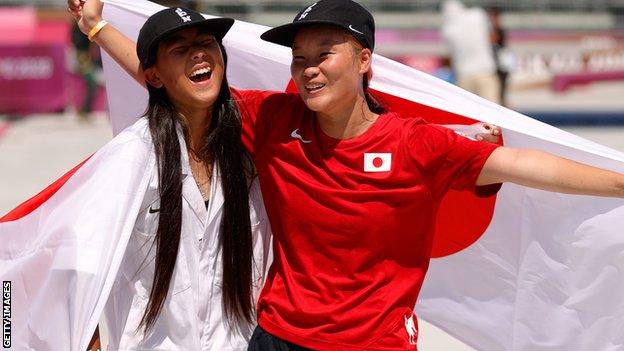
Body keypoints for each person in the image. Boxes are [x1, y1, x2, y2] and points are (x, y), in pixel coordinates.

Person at [70, 0, 624, 349]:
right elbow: (183, 81)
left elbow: (526, 165)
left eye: (324, 54)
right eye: (299, 58)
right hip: (276, 338)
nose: (308, 68)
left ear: (363, 60)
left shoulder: (415, 142)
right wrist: (97, 29)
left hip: (374, 344)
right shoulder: (273, 120)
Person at [69, 5, 271, 350]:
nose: (198, 54)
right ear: (154, 76)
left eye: (206, 43)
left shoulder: (255, 140)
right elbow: (78, 263)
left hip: (238, 342)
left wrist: (96, 26)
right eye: (180, 49)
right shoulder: (132, 156)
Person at [441, 0, 501, 104]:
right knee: (493, 113)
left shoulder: (447, 30)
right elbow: (493, 37)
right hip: (485, 72)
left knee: (468, 116)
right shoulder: (477, 15)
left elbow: (449, 57)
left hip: (464, 76)